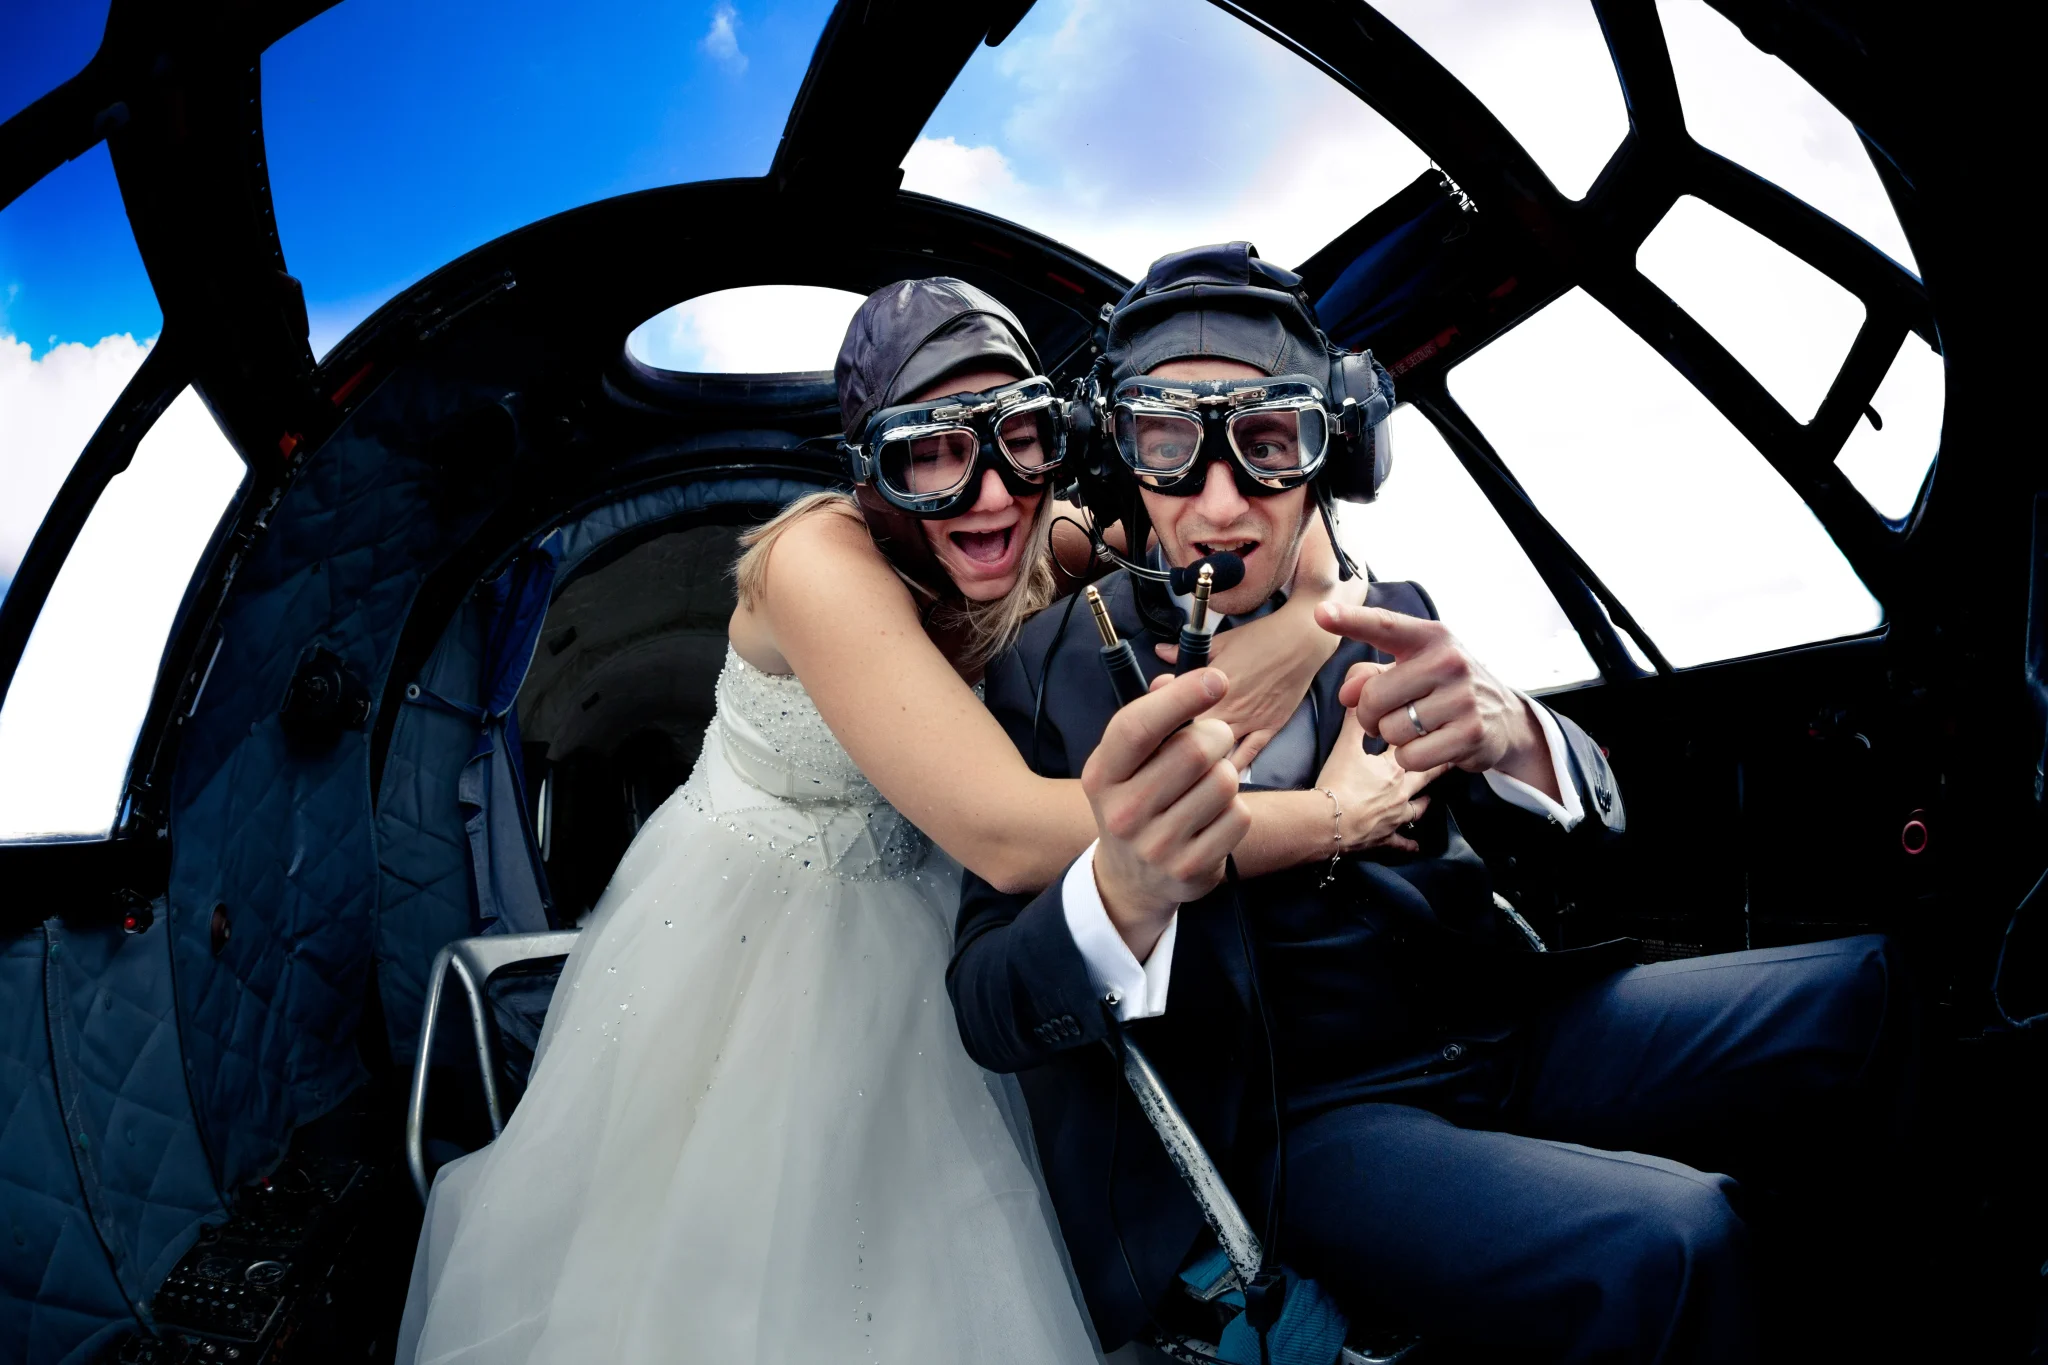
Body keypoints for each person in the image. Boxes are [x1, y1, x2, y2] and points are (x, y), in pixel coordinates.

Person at [397, 275, 1425, 1363]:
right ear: (868, 469)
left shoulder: (1034, 526)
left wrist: (1328, 630)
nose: (987, 497)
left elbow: (1293, 547)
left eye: (1020, 439)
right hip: (756, 942)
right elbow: (1012, 835)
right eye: (927, 453)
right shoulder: (814, 564)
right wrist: (1332, 815)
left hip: (918, 917)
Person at [948, 242, 1903, 1363]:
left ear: (1331, 453)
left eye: (1265, 443)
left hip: (1513, 1027)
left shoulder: (1389, 609)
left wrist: (1519, 736)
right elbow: (986, 1004)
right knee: (1676, 1243)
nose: (1218, 507)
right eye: (1169, 447)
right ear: (1118, 459)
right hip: (1309, 1117)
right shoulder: (1041, 670)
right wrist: (1124, 890)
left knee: (1872, 995)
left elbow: (1606, 833)